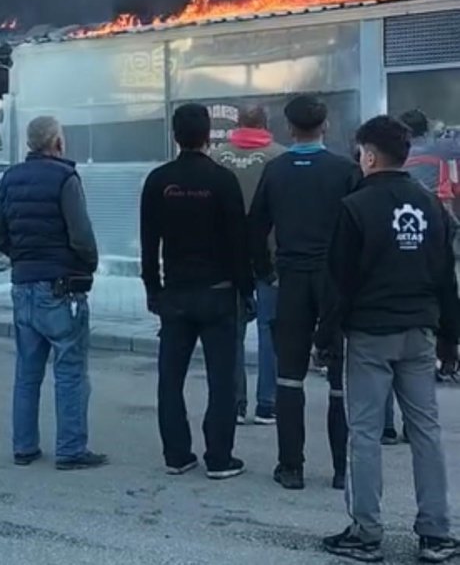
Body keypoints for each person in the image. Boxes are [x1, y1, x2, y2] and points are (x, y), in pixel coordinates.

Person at [318, 116, 460, 564]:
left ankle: (366, 531)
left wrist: (325, 338)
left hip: (370, 334)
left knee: (363, 433)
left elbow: (338, 282)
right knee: (426, 432)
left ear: (372, 155)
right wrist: (451, 340)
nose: (359, 159)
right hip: (419, 332)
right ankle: (436, 534)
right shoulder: (431, 206)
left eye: (361, 152)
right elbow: (445, 278)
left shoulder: (354, 208)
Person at [250, 94, 361, 491]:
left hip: (292, 278)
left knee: (289, 377)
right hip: (334, 281)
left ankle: (291, 467)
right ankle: (342, 469)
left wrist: (265, 272)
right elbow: (360, 229)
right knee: (339, 379)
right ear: (326, 126)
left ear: (289, 129)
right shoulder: (346, 170)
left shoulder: (276, 170)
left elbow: (255, 227)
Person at [0, 115, 105, 471]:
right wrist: (88, 266)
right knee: (69, 370)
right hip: (60, 288)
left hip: (22, 286)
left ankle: (24, 447)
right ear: (57, 142)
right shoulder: (65, 178)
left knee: (27, 371)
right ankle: (70, 449)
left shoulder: (10, 177)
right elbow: (81, 236)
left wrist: (22, 258)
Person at [141, 103, 250, 480]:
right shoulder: (222, 180)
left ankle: (176, 454)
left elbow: (147, 242)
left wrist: (152, 288)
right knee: (222, 379)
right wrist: (246, 289)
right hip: (219, 293)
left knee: (170, 378)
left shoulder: (158, 181)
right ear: (207, 136)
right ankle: (219, 457)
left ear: (174, 135)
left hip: (175, 294)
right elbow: (240, 242)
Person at [213, 105, 285, 425]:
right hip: (270, 256)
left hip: (228, 257)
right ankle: (267, 403)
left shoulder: (218, 157)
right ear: (266, 123)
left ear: (238, 124)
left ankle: (235, 403)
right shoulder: (280, 158)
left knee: (232, 331)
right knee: (271, 329)